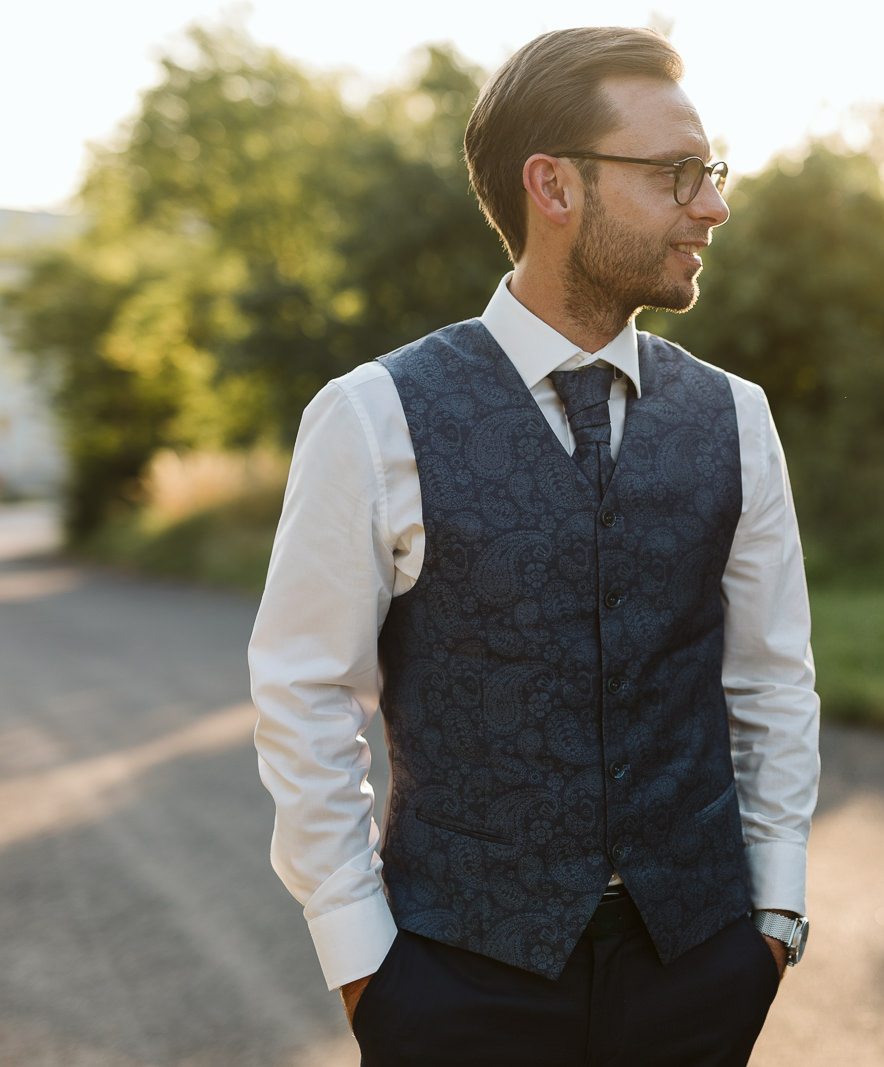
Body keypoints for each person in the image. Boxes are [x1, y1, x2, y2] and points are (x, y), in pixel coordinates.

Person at [249, 26, 819, 1066]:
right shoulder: (373, 415)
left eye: (713, 171)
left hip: (697, 971)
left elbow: (770, 679)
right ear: (553, 187)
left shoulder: (737, 417)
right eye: (677, 174)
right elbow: (303, 689)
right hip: (456, 985)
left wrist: (773, 918)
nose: (714, 204)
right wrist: (368, 968)